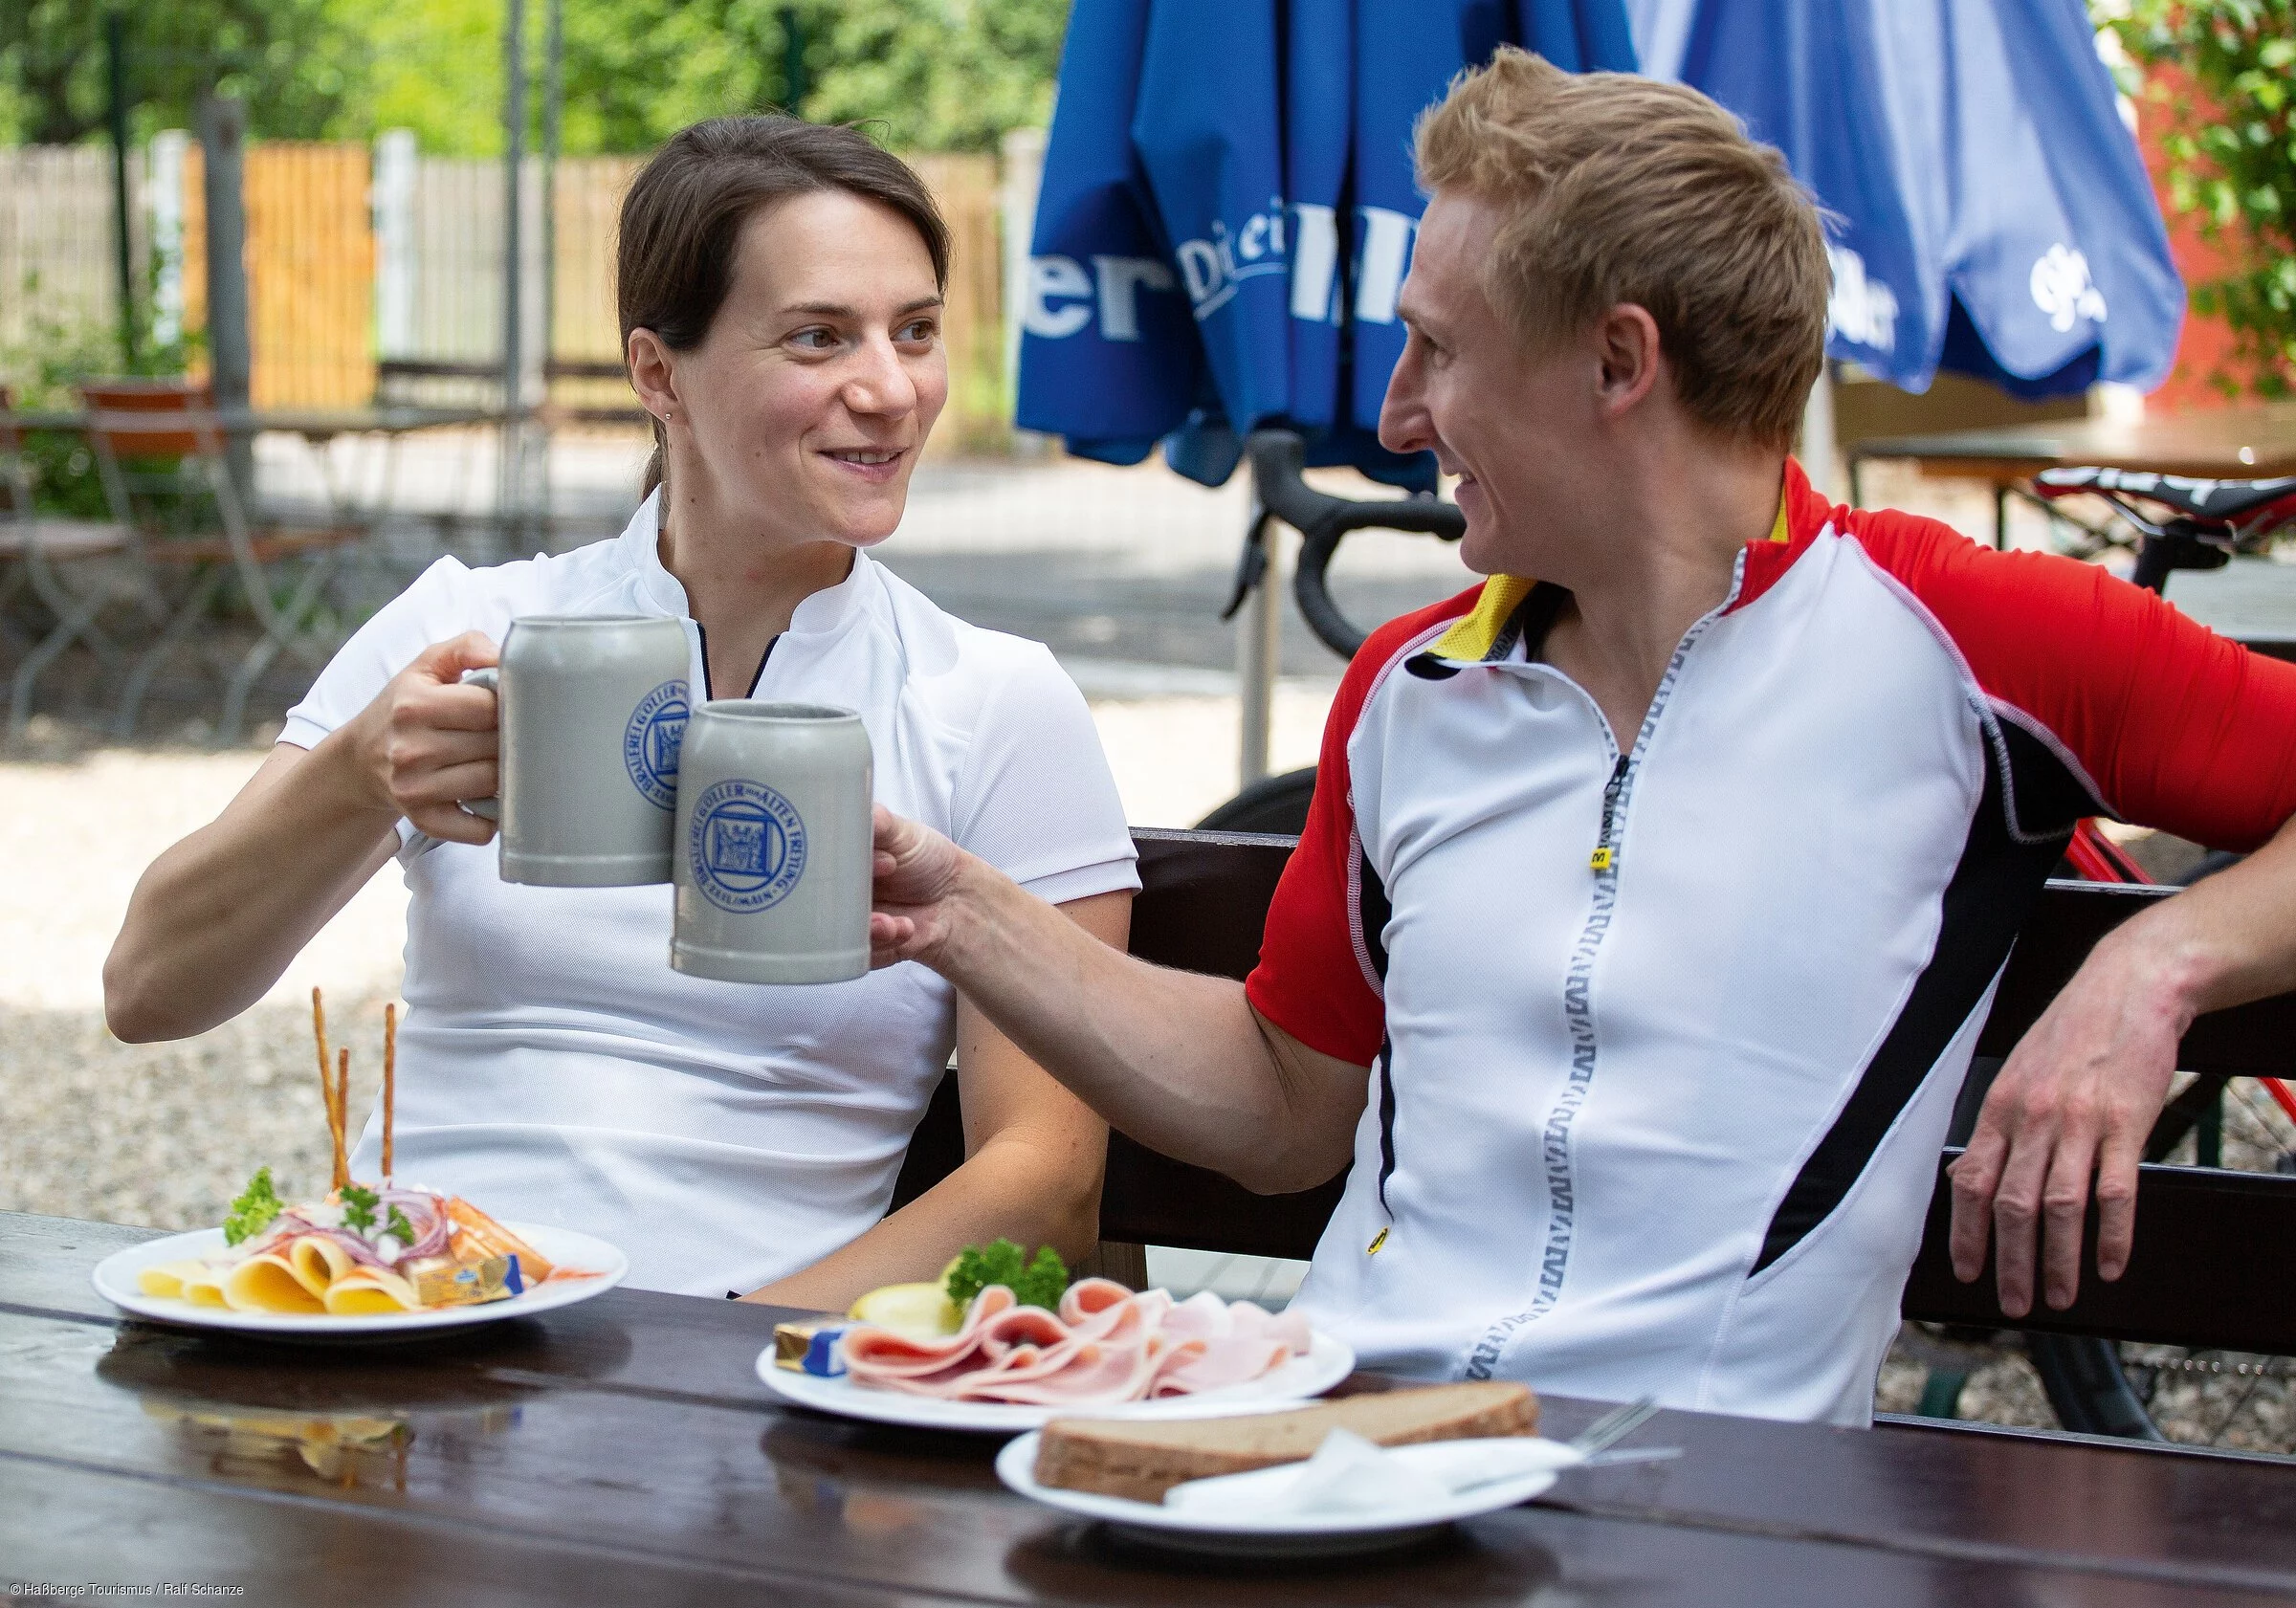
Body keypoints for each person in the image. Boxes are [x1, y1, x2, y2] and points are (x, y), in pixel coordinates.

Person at [863, 52, 2296, 1424]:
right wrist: (962, 909)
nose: (1396, 411)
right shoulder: (1409, 685)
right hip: (1335, 1450)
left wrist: (2152, 964)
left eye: (1438, 347)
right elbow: (1288, 1103)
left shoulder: (1975, 644)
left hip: (1708, 1500)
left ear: (1619, 363)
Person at [102, 117, 1138, 1307]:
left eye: (915, 331)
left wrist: (711, 1366)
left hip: (747, 1388)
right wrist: (353, 778)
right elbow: (150, 990)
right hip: (415, 1328)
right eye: (819, 336)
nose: (891, 389)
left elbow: (1046, 1184)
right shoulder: (471, 629)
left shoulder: (992, 701)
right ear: (658, 373)